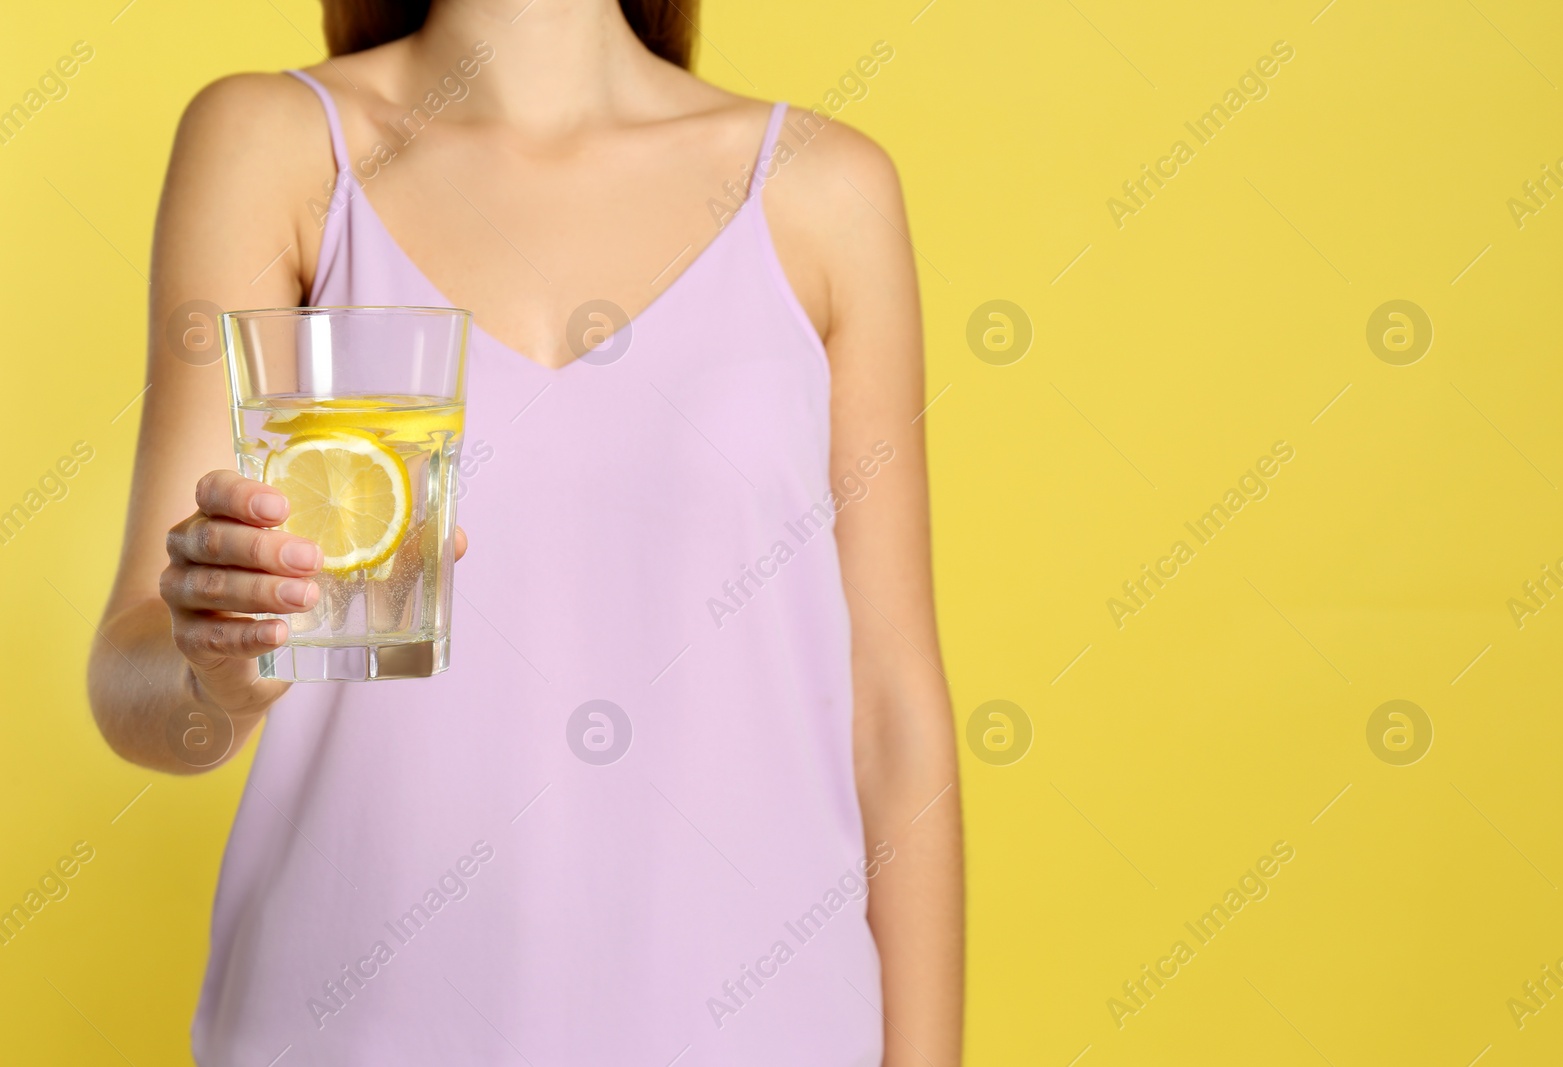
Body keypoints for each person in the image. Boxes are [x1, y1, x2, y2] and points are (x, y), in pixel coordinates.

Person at [88, 1, 962, 1062]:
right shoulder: (275, 143)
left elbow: (893, 711)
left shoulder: (822, 189)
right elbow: (137, 689)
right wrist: (217, 668)